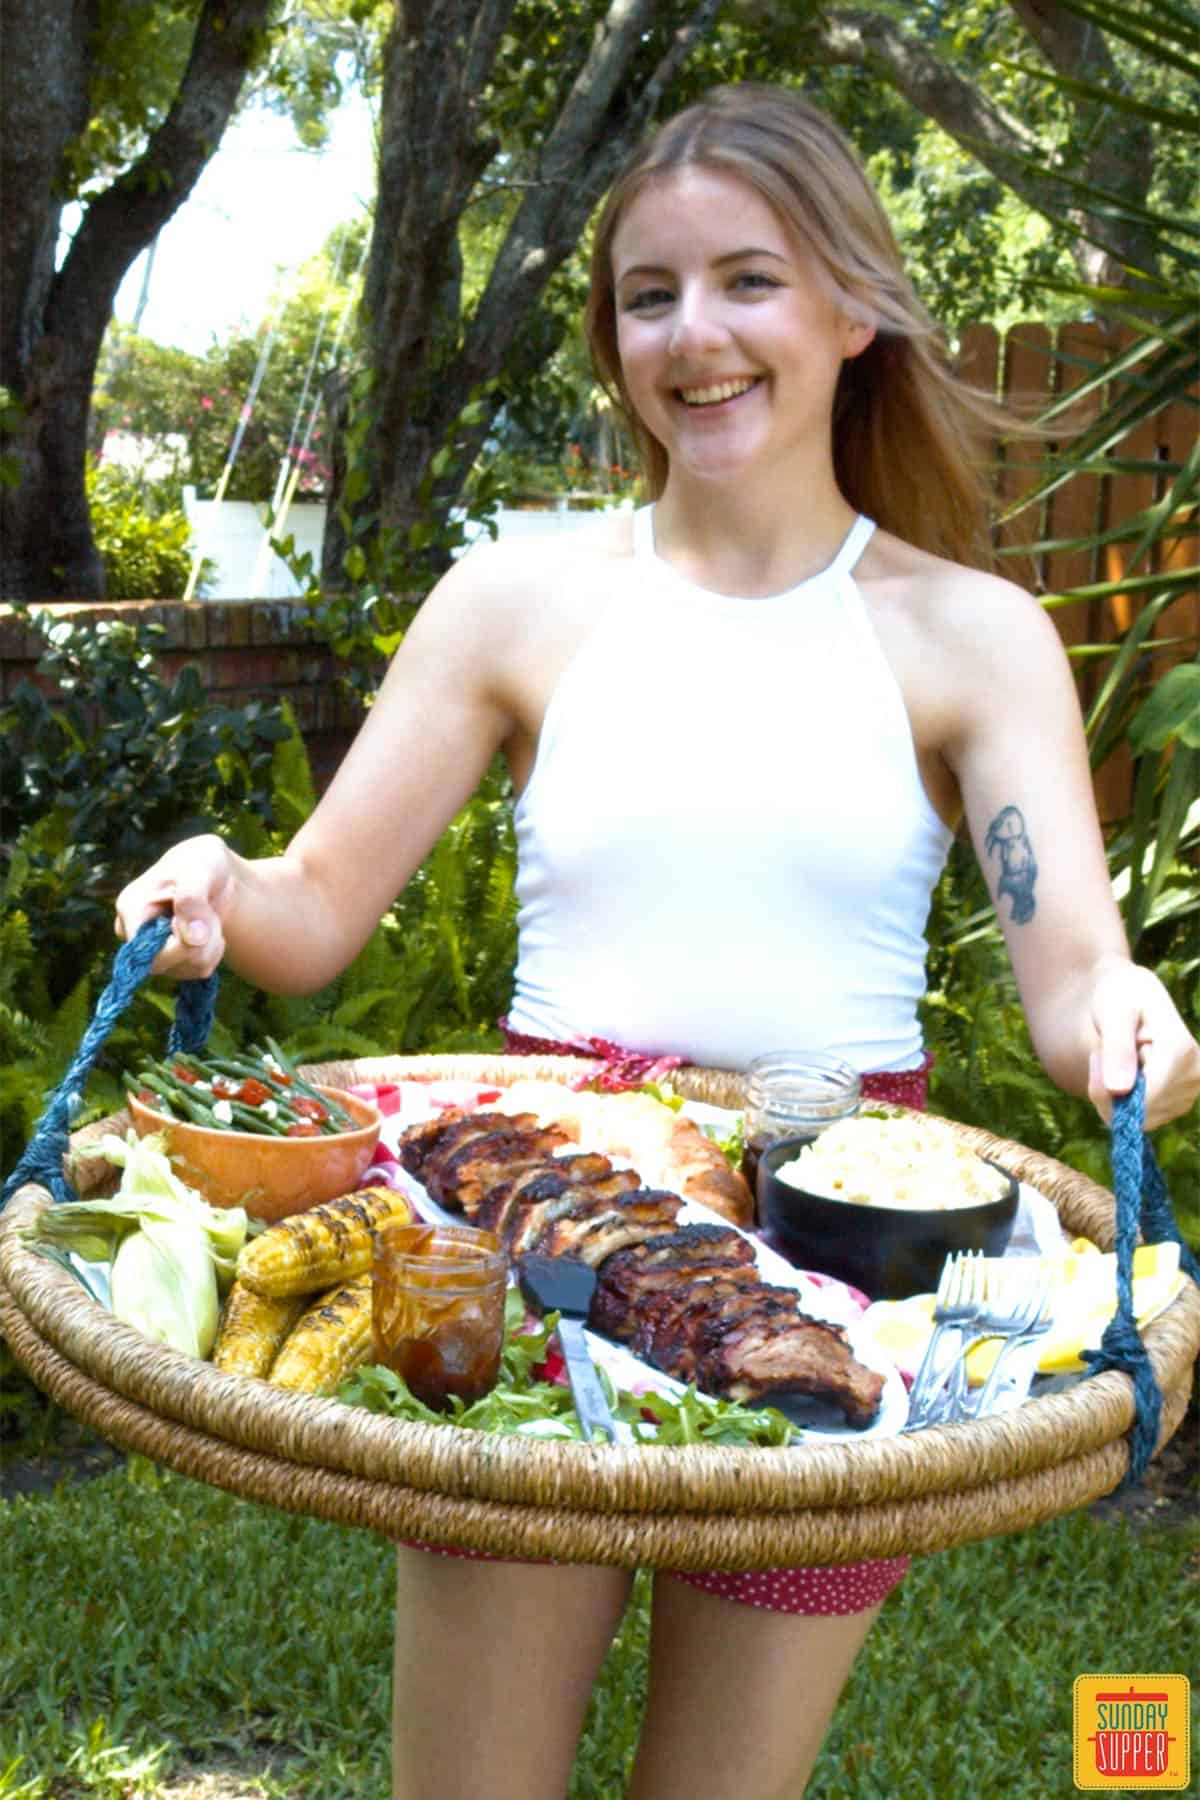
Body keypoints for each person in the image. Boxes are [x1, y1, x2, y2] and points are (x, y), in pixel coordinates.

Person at [115, 82, 1200, 1800]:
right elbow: (309, 913)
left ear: (856, 310)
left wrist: (1127, 1006)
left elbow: (1073, 980)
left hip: (842, 1272)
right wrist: (217, 894)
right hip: (529, 1227)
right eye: (648, 293)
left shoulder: (971, 636)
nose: (694, 334)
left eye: (750, 280)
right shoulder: (516, 600)